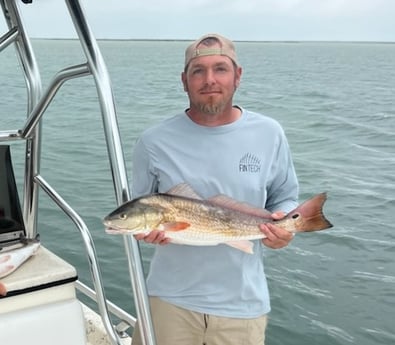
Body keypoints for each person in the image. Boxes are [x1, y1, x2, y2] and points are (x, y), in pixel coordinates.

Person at [131, 33, 299, 345]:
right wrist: (144, 233)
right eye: (198, 71)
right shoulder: (153, 142)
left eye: (220, 69)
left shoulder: (269, 133)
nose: (210, 80)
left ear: (238, 76)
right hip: (168, 300)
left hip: (243, 305)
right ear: (184, 80)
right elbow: (138, 208)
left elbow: (285, 196)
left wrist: (284, 227)